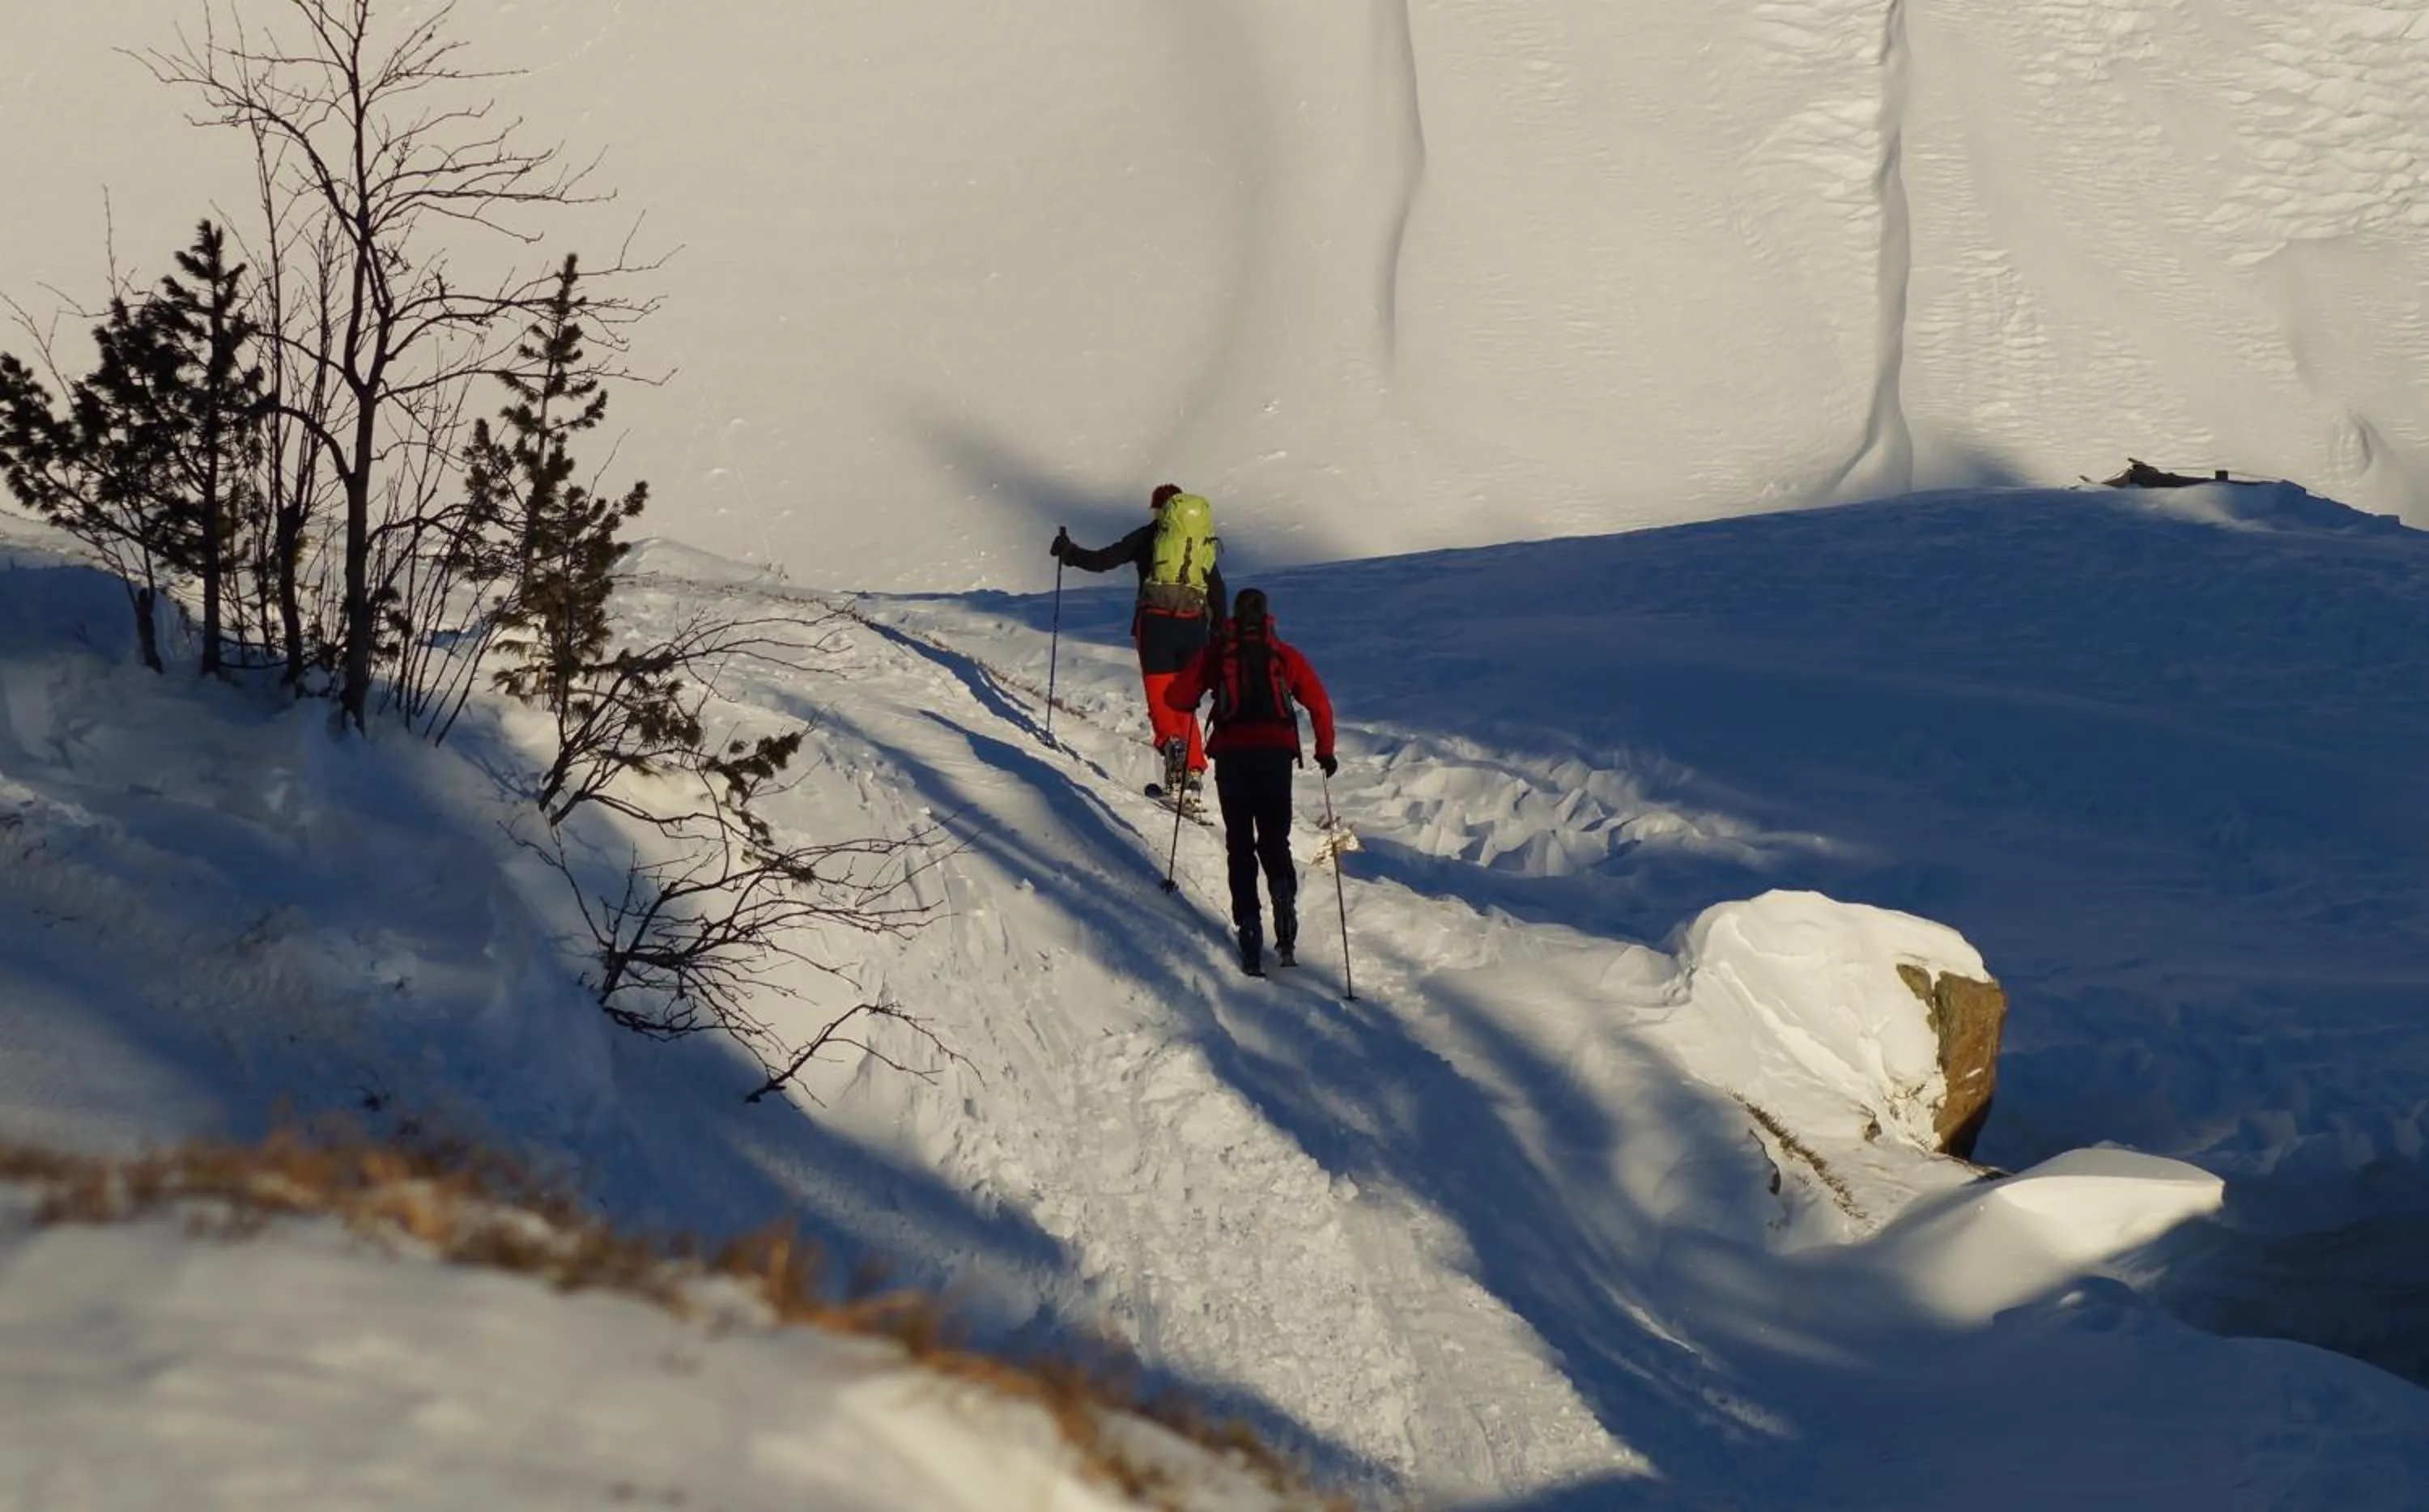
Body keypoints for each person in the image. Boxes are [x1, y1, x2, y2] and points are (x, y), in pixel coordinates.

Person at [1164, 586, 1337, 977]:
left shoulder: (1216, 654)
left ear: (1233, 617)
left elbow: (1177, 697)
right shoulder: (1284, 654)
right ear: (1267, 616)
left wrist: (1200, 689)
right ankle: (1283, 895)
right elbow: (1320, 703)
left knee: (1239, 846)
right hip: (1275, 758)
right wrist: (1324, 751)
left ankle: (1250, 928)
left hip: (1233, 759)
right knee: (1275, 841)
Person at [1051, 485, 1227, 799]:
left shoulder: (1149, 536)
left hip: (1155, 624)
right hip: (1194, 628)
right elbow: (1218, 590)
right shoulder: (1200, 543)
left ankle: (1172, 749)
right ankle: (1194, 772)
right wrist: (1218, 633)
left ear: (1161, 510)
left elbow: (1103, 559)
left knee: (1160, 696)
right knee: (1186, 700)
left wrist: (1069, 552)